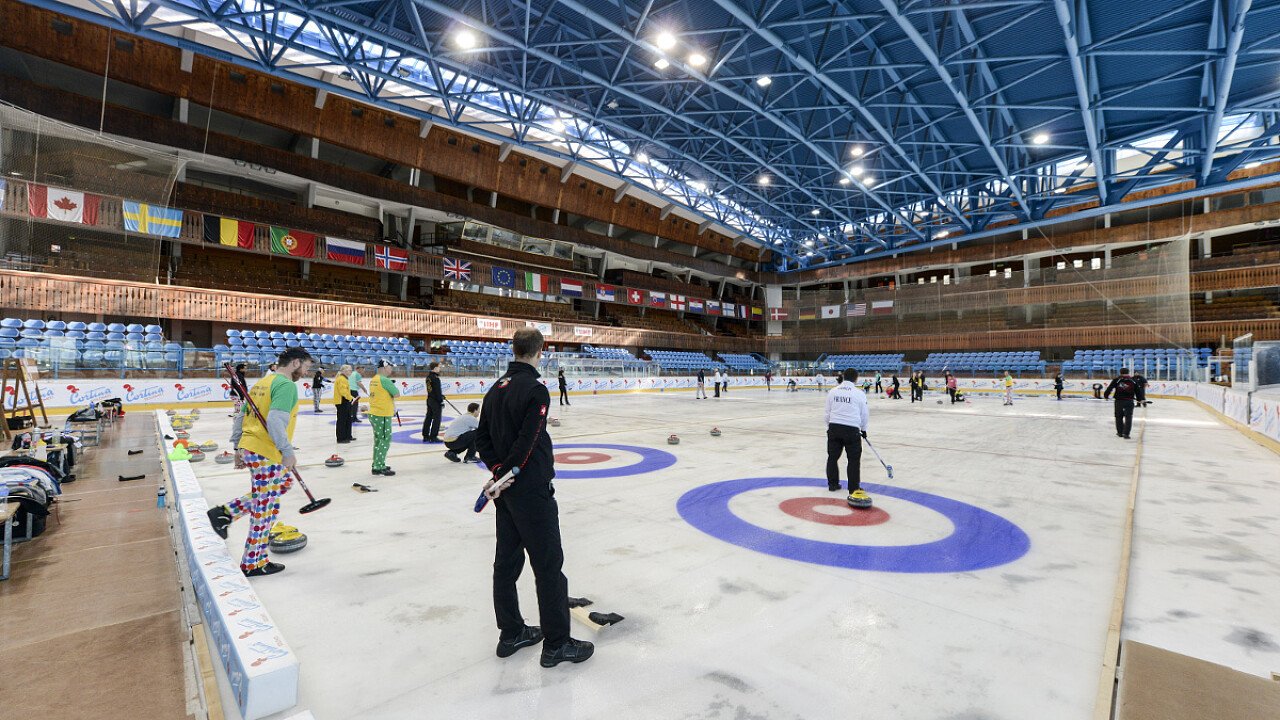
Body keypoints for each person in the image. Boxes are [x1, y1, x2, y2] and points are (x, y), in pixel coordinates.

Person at [476, 328, 593, 668]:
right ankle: (557, 644)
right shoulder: (536, 389)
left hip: (507, 492)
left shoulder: (495, 389)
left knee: (506, 564)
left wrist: (499, 472)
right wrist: (510, 473)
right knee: (548, 567)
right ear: (540, 351)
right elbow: (526, 444)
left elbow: (482, 439)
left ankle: (511, 632)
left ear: (515, 350)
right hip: (529, 491)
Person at [206, 347, 313, 577]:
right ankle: (253, 562)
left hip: (252, 447)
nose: (306, 372)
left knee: (282, 484)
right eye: (306, 367)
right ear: (295, 363)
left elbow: (242, 416)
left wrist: (238, 446)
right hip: (266, 451)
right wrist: (287, 451)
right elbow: (275, 421)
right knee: (266, 508)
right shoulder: (286, 386)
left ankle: (226, 512)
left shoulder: (262, 384)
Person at [824, 368, 871, 507]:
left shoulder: (833, 392)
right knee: (853, 460)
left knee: (832, 457)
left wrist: (830, 427)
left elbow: (827, 413)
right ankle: (853, 488)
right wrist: (863, 429)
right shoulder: (859, 394)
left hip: (834, 427)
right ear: (856, 379)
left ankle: (832, 484)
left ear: (843, 377)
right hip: (851, 430)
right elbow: (864, 414)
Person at [368, 360, 400, 475]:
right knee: (385, 439)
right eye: (390, 367)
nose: (391, 370)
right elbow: (397, 394)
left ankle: (377, 463)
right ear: (385, 367)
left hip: (374, 412)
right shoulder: (385, 380)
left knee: (378, 440)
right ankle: (378, 466)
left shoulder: (374, 379)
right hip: (383, 414)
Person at [1104, 367, 1140, 439]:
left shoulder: (1117, 380)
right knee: (1128, 417)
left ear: (1120, 372)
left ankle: (1120, 432)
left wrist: (1106, 396)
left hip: (1119, 401)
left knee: (1118, 417)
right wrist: (1140, 399)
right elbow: (1138, 391)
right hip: (1129, 401)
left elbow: (1110, 388)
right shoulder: (1133, 380)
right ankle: (1126, 434)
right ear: (1128, 372)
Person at [333, 364, 355, 443]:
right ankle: (341, 438)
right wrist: (350, 398)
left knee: (347, 419)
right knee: (342, 420)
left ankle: (347, 435)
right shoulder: (341, 379)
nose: (351, 371)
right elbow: (343, 392)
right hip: (342, 401)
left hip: (345, 401)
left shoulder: (344, 379)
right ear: (344, 371)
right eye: (349, 370)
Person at [423, 362, 444, 443]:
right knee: (437, 419)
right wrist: (441, 400)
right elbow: (437, 391)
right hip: (435, 401)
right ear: (435, 368)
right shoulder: (435, 378)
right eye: (439, 367)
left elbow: (433, 390)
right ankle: (433, 436)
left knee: (428, 418)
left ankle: (425, 436)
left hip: (429, 399)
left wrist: (441, 396)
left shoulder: (428, 377)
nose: (440, 368)